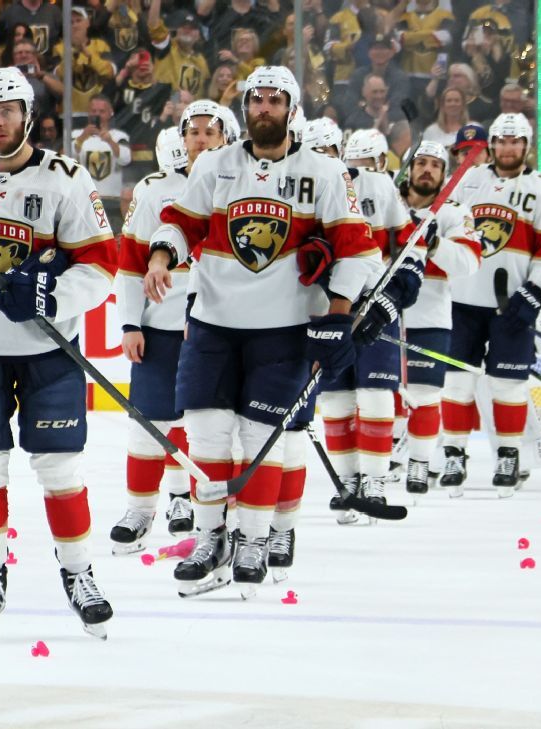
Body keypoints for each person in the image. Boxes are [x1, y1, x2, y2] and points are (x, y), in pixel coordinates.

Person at [143, 66, 381, 598]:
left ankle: (252, 538)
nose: (265, 108)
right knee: (204, 434)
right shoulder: (216, 164)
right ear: (246, 108)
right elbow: (182, 222)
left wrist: (338, 313)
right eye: (257, 100)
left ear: (292, 109)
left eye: (276, 100)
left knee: (260, 439)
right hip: (212, 324)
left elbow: (359, 250)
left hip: (285, 329)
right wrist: (162, 254)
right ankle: (210, 538)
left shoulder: (323, 172)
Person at [0, 68, 118, 640]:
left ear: (29, 114)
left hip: (46, 351)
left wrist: (50, 296)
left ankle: (78, 572)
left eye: (7, 110)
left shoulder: (66, 177)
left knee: (59, 467)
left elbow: (101, 265)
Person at [109, 102, 233, 554]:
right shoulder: (154, 189)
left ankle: (204, 513)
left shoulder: (237, 183)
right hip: (160, 328)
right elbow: (130, 261)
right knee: (148, 424)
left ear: (225, 137)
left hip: (217, 328)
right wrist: (128, 322)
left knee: (208, 428)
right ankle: (140, 510)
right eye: (193, 132)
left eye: (209, 132)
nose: (200, 139)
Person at [442, 113, 541, 497]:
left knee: (509, 383)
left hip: (511, 306)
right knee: (458, 382)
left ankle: (509, 455)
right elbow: (442, 230)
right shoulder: (468, 182)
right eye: (501, 141)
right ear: (492, 145)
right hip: (463, 301)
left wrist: (535, 292)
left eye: (515, 141)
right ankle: (454, 454)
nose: (508, 148)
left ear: (526, 146)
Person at [312, 121, 416, 520]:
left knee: (374, 394)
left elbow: (409, 246)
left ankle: (373, 479)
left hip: (372, 305)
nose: (322, 161)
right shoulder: (301, 190)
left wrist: (393, 297)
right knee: (336, 397)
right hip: (326, 307)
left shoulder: (376, 184)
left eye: (328, 152)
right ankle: (346, 481)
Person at [387, 140, 481, 495]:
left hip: (431, 315)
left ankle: (420, 463)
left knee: (425, 395)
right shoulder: (388, 204)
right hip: (385, 313)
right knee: (383, 393)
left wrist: (436, 243)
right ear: (409, 169)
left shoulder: (455, 212)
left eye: (435, 166)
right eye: (421, 163)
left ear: (444, 175)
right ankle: (387, 457)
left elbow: (470, 263)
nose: (427, 170)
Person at [71, 94, 130, 231]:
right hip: (85, 202)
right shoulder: (76, 135)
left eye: (102, 111)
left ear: (110, 113)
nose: (97, 114)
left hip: (112, 201)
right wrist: (82, 138)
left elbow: (126, 159)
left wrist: (110, 141)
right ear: (88, 113)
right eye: (93, 111)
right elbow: (67, 159)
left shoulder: (119, 136)